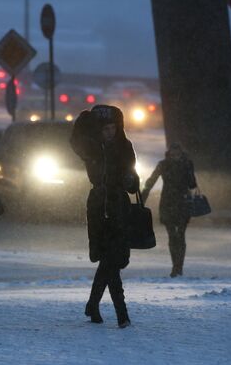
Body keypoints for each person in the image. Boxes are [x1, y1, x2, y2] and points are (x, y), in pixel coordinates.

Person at [70, 105, 139, 328]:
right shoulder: (92, 147)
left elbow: (133, 175)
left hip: (119, 204)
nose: (110, 132)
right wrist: (85, 119)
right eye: (105, 128)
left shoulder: (124, 146)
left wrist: (131, 181)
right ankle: (122, 314)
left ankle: (93, 304)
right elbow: (75, 141)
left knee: (113, 259)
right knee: (108, 258)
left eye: (113, 128)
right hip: (100, 205)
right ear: (98, 130)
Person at [141, 143, 197, 277]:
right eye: (173, 153)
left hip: (180, 202)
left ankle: (178, 267)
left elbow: (192, 184)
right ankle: (176, 267)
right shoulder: (164, 164)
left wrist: (188, 170)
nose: (175, 156)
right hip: (170, 202)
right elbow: (151, 181)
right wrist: (142, 199)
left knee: (180, 235)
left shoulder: (186, 164)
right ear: (169, 153)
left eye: (177, 153)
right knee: (173, 235)